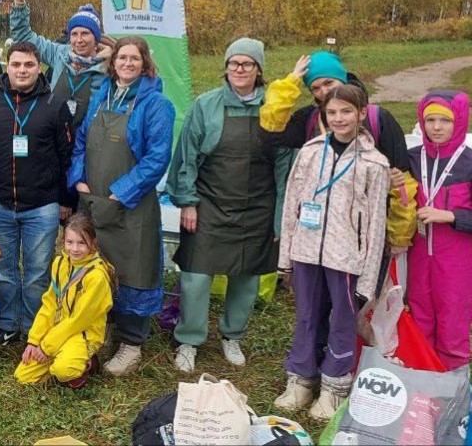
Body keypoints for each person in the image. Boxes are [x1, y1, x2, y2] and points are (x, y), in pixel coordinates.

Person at [166, 38, 291, 372]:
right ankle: (189, 339)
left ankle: (232, 335)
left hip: (258, 207)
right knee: (196, 277)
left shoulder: (274, 110)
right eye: (233, 63)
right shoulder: (205, 105)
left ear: (259, 70)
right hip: (208, 204)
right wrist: (187, 202)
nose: (239, 69)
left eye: (247, 64)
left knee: (246, 277)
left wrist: (280, 219)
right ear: (225, 67)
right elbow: (186, 157)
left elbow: (285, 168)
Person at [275, 84, 390, 420]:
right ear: (324, 115)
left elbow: (376, 226)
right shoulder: (310, 153)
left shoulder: (374, 163)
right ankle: (301, 379)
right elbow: (292, 205)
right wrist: (287, 258)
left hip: (346, 259)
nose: (339, 119)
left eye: (346, 111)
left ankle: (334, 386)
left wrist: (368, 278)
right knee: (306, 316)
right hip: (307, 252)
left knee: (342, 320)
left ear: (361, 112)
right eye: (332, 112)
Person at [69, 36, 175, 376]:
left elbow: (157, 158)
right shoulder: (102, 97)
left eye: (134, 58)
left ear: (145, 63)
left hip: (131, 206)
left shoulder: (156, 105)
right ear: (112, 63)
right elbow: (82, 140)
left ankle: (132, 343)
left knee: (134, 269)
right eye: (121, 58)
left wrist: (120, 193)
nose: (127, 63)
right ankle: (106, 327)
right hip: (95, 201)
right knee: (99, 267)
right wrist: (79, 179)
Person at [0, 41, 73, 344]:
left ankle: (32, 325)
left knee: (38, 271)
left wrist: (66, 200)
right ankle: (9, 321)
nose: (22, 70)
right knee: (4, 270)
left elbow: (67, 156)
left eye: (28, 65)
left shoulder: (54, 105)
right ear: (7, 67)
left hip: (42, 206)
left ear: (38, 67)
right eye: (16, 65)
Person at [260, 51, 416, 248]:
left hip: (365, 231)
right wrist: (291, 82)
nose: (324, 92)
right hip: (318, 231)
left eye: (329, 83)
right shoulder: (309, 120)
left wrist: (399, 236)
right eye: (315, 88)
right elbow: (270, 132)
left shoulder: (378, 119)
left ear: (343, 80)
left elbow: (402, 182)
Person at [406, 91, 472, 371]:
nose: (436, 127)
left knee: (453, 319)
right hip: (418, 255)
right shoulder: (410, 158)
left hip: (456, 258)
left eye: (444, 120)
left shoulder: (469, 162)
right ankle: (422, 381)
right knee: (419, 317)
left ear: (459, 122)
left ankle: (453, 384)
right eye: (429, 119)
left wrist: (449, 216)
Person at [15, 214, 114, 389]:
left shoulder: (96, 276)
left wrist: (46, 347)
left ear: (93, 242)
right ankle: (61, 354)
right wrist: (34, 340)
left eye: (81, 243)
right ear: (63, 241)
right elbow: (49, 303)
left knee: (63, 370)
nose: (74, 249)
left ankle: (86, 363)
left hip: (82, 333)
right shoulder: (60, 263)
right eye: (70, 242)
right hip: (59, 329)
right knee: (23, 375)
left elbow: (78, 320)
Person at [9, 0, 111, 132]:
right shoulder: (59, 55)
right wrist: (19, 0)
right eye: (74, 34)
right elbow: (24, 36)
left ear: (96, 38)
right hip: (55, 140)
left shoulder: (109, 66)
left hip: (88, 145)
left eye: (85, 34)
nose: (79, 40)